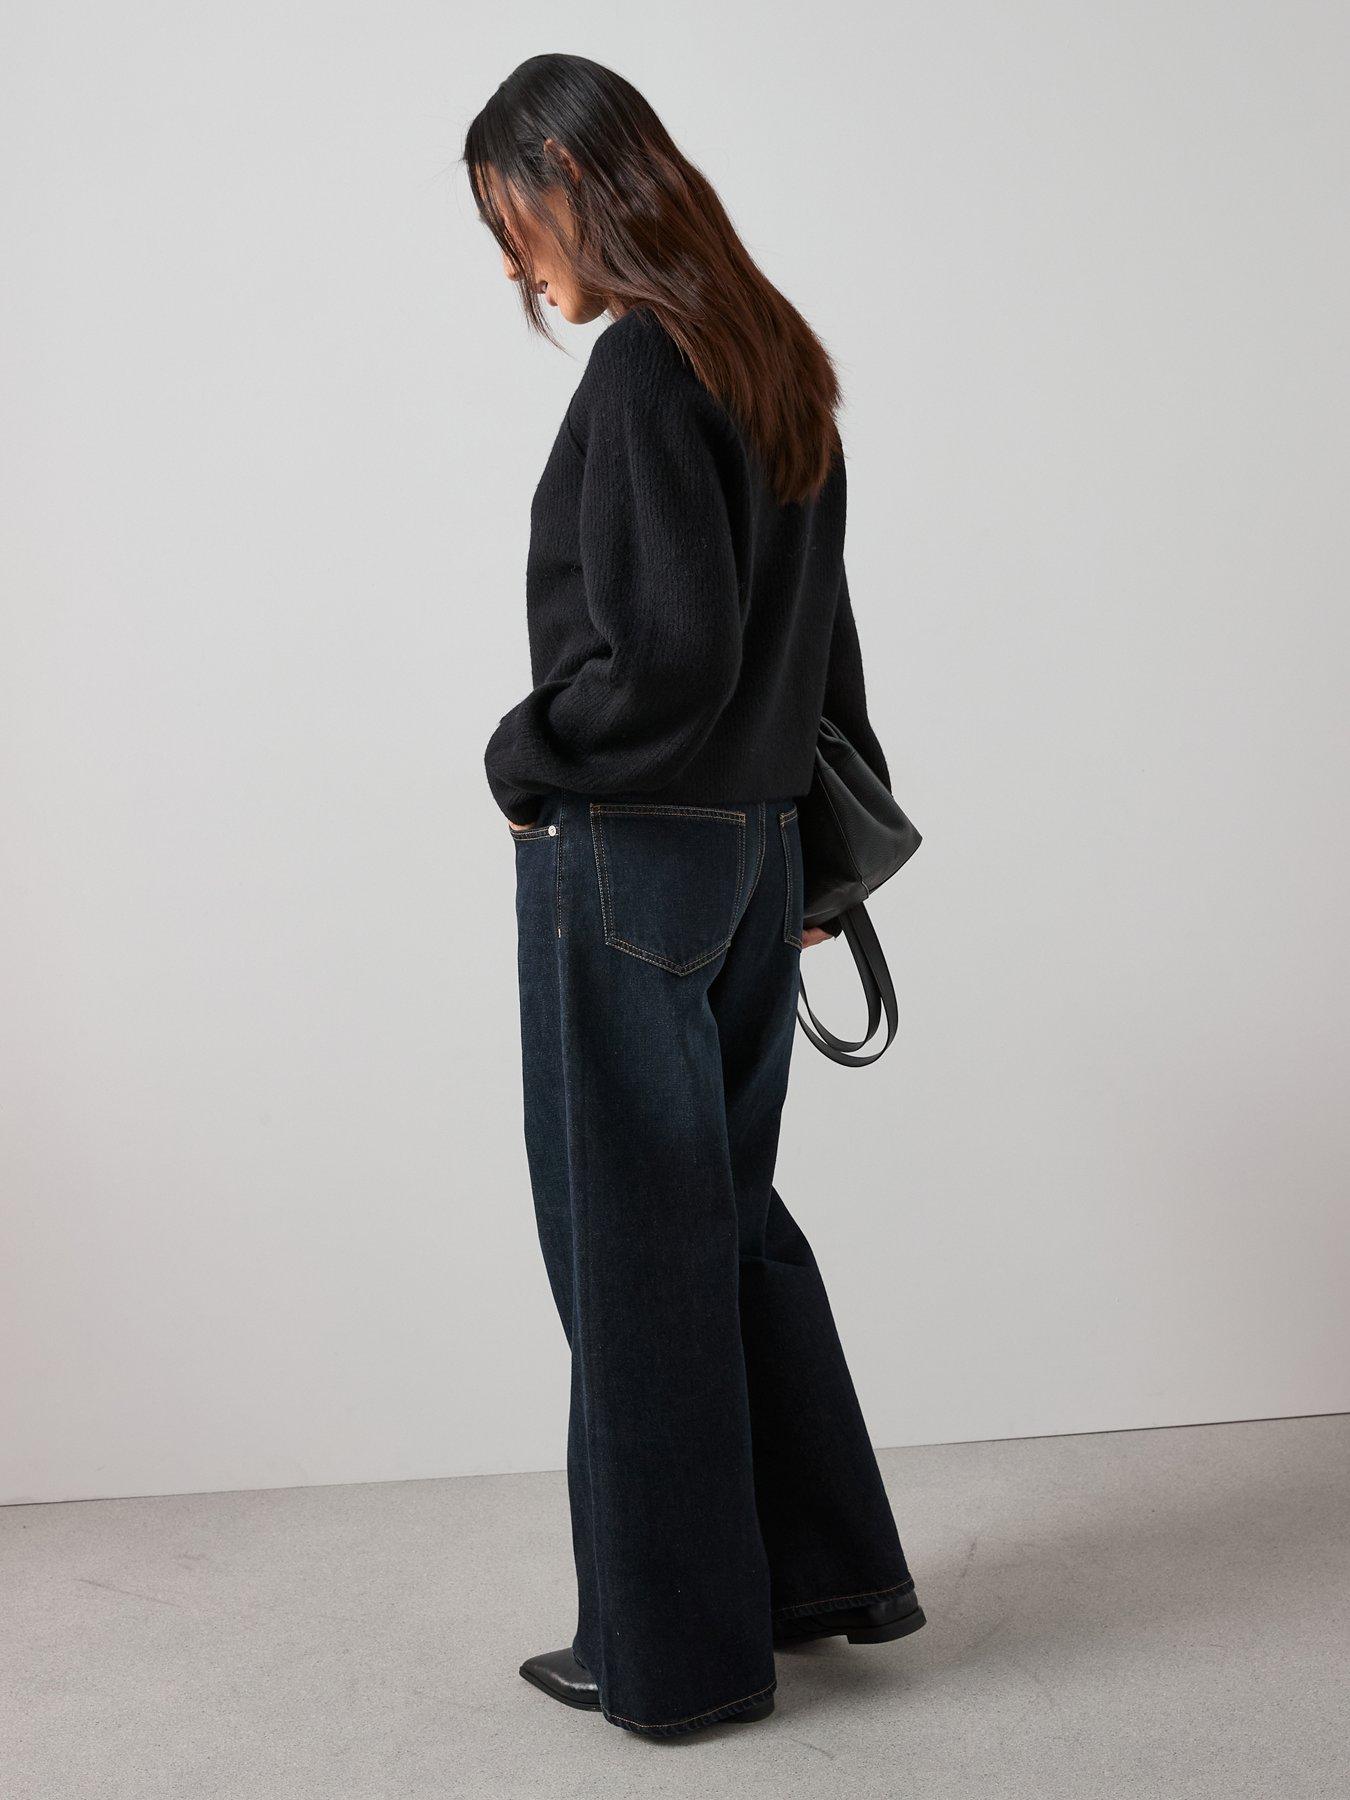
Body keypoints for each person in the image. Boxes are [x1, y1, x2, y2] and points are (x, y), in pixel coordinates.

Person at [463, 53, 924, 1740]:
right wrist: (809, 855)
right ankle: (814, 1575)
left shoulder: (649, 367)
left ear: (572, 177)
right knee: (720, 1220)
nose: (512, 261)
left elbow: (665, 658)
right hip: (746, 848)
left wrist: (525, 753)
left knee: (630, 1249)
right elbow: (818, 640)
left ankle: (669, 1656)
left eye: (509, 217)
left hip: (634, 854)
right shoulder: (768, 351)